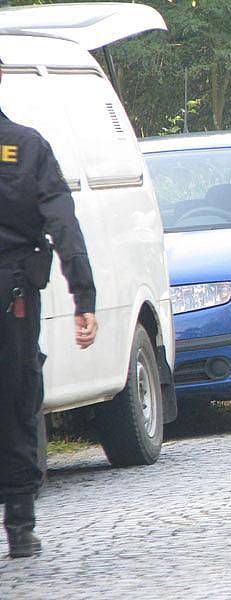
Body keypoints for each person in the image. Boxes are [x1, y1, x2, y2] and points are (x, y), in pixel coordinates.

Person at [0, 63, 98, 558]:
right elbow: (63, 223)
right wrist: (84, 297)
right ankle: (19, 527)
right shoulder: (27, 147)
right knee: (17, 402)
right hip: (13, 298)